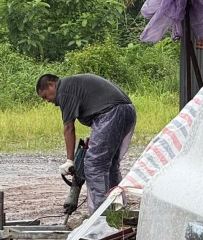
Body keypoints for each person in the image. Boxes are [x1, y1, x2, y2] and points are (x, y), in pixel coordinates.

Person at [37, 72, 137, 212]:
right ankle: (116, 210)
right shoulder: (73, 85)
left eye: (45, 96)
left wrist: (69, 161)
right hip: (127, 111)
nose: (47, 100)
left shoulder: (64, 90)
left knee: (94, 164)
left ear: (51, 85)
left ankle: (100, 217)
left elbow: (68, 127)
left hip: (110, 113)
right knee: (110, 164)